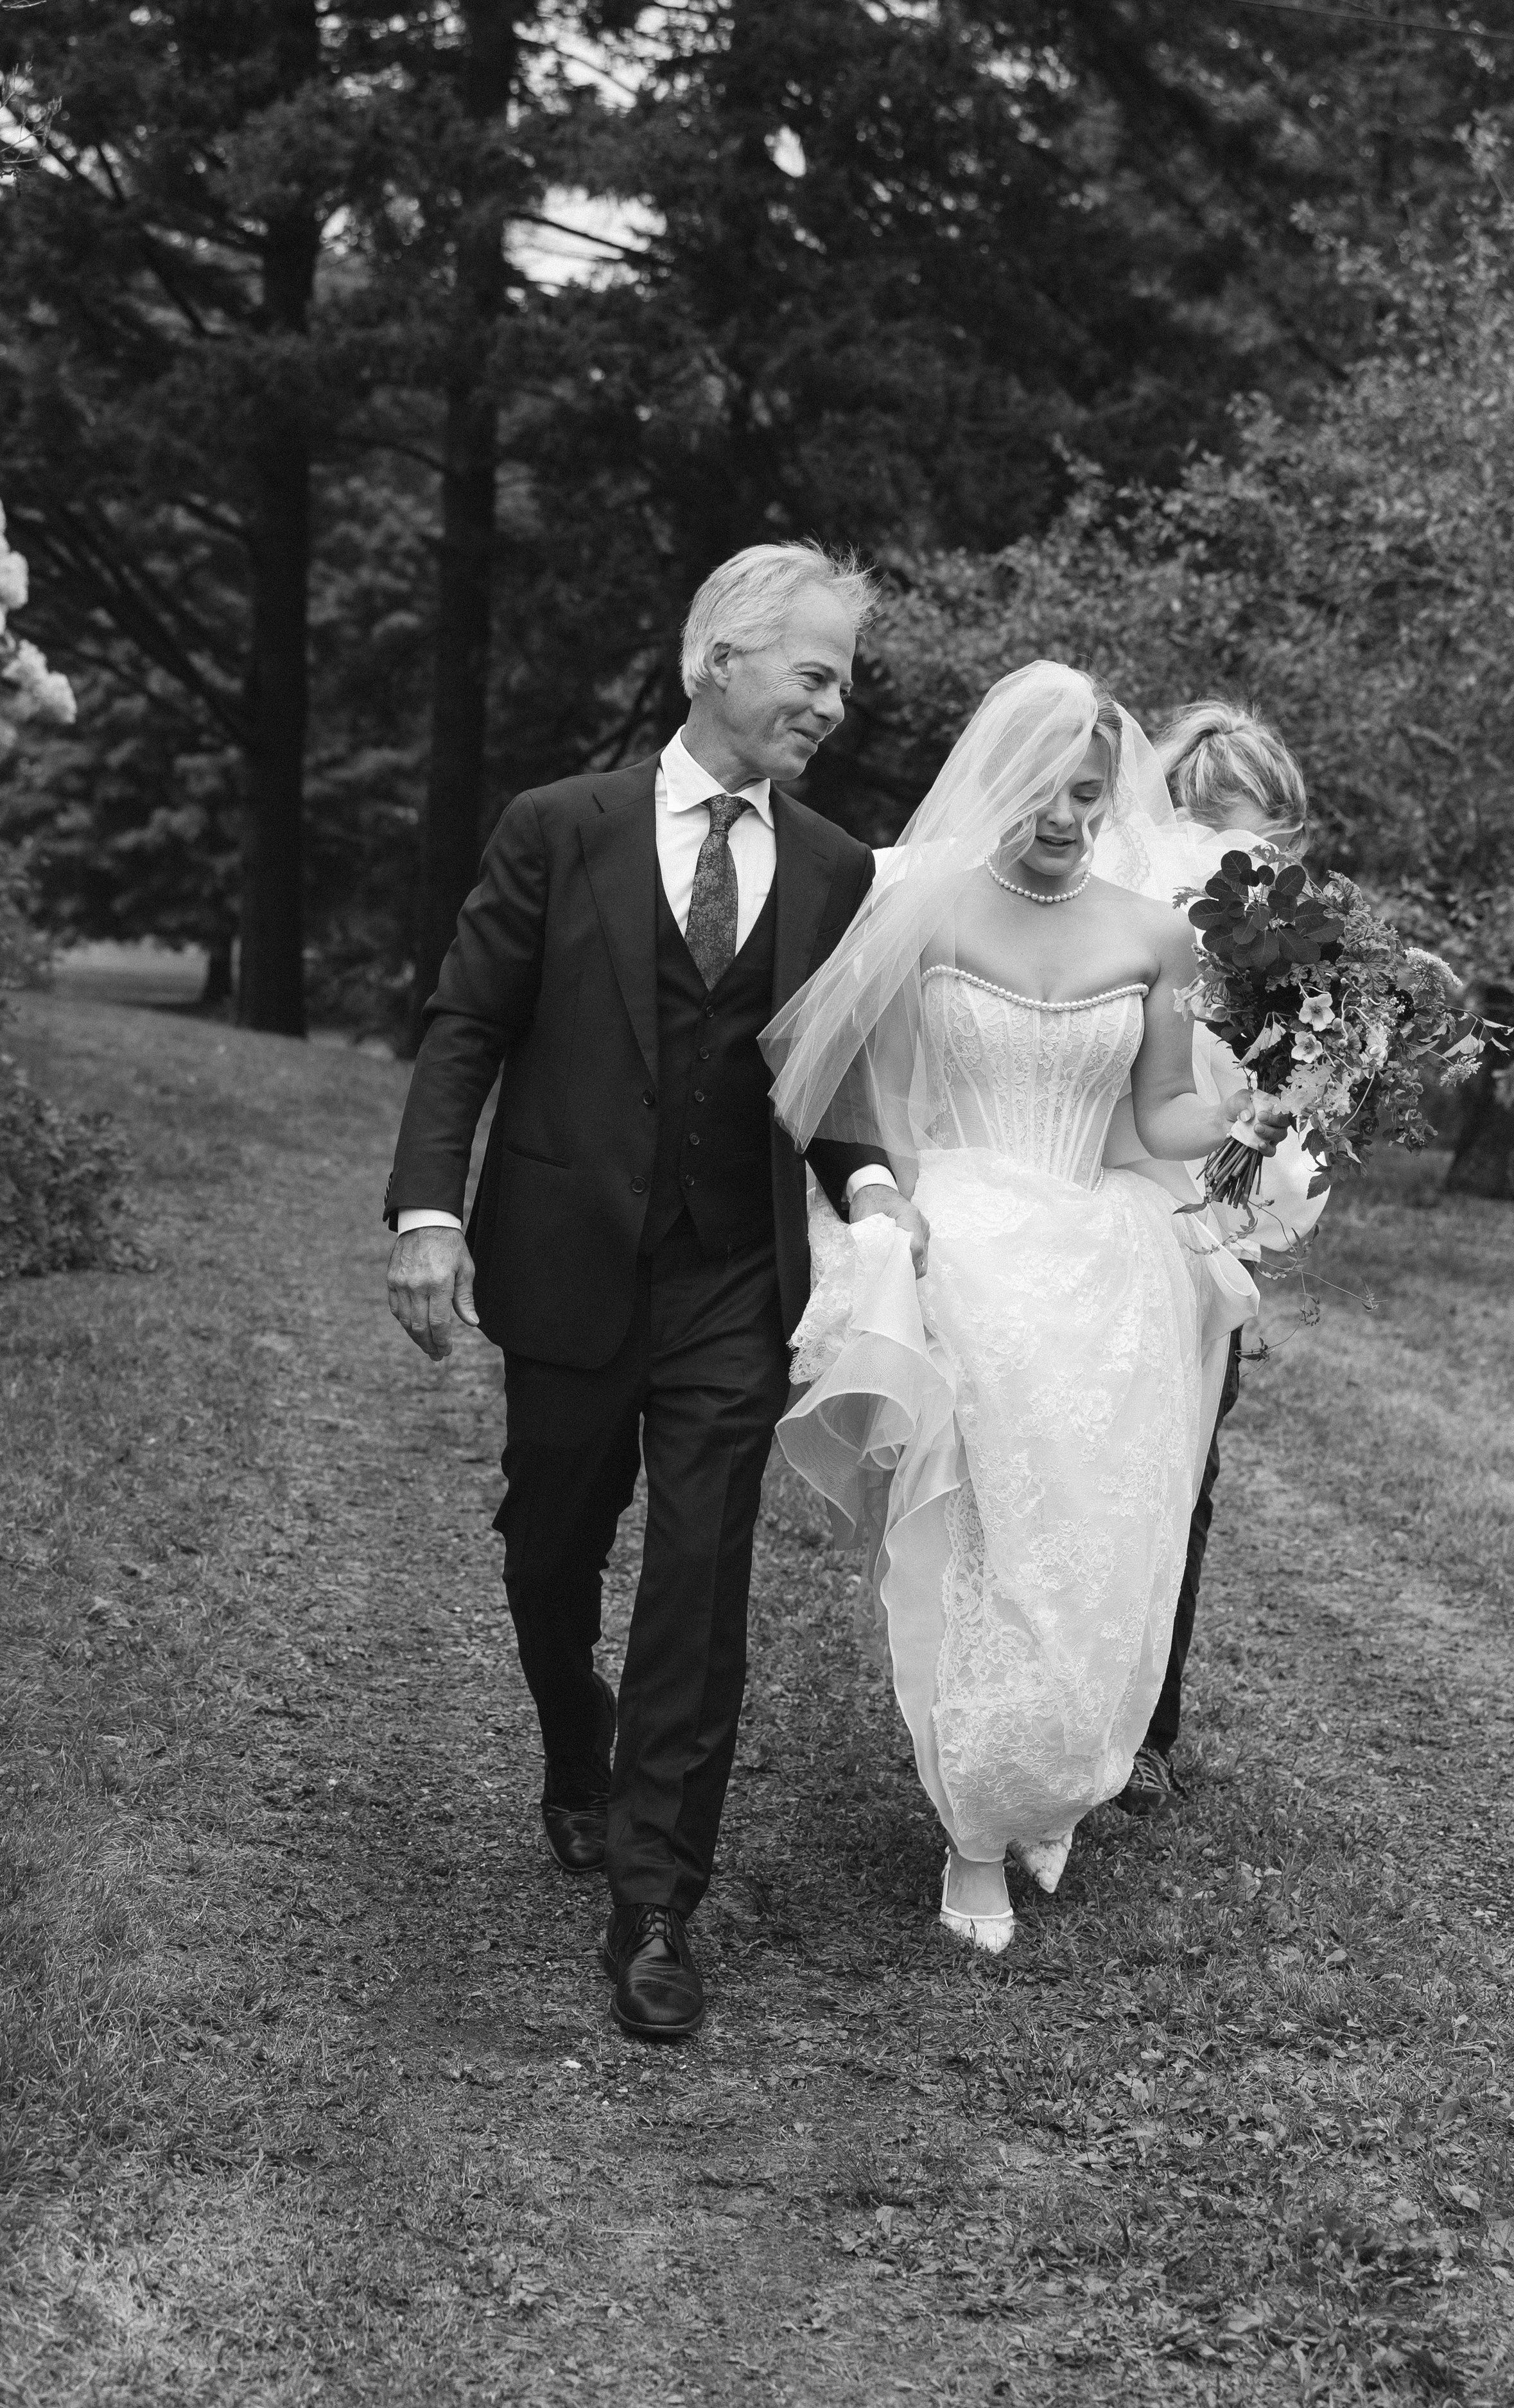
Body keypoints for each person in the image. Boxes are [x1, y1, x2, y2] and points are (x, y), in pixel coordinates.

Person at [383, 541, 925, 2041]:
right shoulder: (561, 826)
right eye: (813, 673)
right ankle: (575, 1745)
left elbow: (823, 1078)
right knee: (551, 1544)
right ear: (717, 662)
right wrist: (429, 1210)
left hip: (731, 1281)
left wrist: (870, 1185)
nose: (832, 705)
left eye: (841, 682)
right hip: (564, 1263)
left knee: (700, 1576)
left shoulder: (834, 866)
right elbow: (464, 1026)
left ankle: (656, 1900)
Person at [761, 663, 1285, 1953]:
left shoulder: (1154, 938)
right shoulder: (923, 914)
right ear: (1003, 783)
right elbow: (845, 1092)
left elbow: (1157, 1111)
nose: (1064, 817)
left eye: (1089, 796)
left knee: (1087, 1545)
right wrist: (883, 1205)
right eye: (1045, 791)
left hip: (1103, 1260)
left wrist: (1258, 1103)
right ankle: (972, 1830)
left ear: (1116, 800)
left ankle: (1046, 1769)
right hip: (965, 1244)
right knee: (978, 1543)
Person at [1104, 699, 1325, 1817]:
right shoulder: (1124, 914)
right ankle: (1082, 1707)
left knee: (1188, 1477)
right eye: (1245, 843)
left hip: (1211, 1231)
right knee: (1105, 1472)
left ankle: (1151, 1724)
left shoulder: (1283, 956)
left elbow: (1280, 1103)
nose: (1259, 869)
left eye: (1275, 851)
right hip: (1109, 1219)